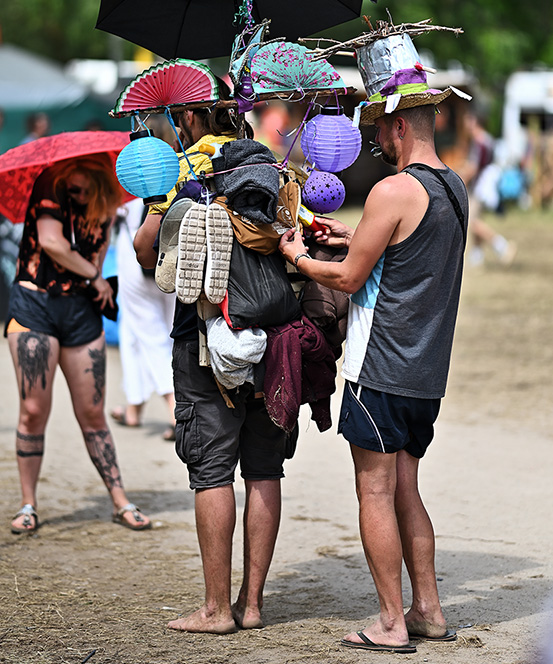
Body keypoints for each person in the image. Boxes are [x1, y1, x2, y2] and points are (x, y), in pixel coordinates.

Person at [279, 63, 467, 653]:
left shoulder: (392, 190)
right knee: (406, 488)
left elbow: (352, 277)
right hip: (425, 372)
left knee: (376, 494)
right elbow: (400, 252)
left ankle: (389, 621)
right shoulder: (453, 187)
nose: (375, 142)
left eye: (379, 130)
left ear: (396, 126)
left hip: (379, 366)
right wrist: (348, 236)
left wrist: (299, 256)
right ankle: (428, 611)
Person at [134, 76, 294, 633]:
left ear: (197, 118)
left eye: (182, 118)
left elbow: (145, 255)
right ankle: (252, 605)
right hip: (274, 338)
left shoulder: (182, 176)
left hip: (205, 345)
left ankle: (215, 610)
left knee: (212, 471)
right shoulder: (278, 173)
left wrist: (160, 200)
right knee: (264, 469)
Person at [6, 154, 151, 534]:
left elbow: (99, 253)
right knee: (33, 410)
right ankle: (28, 504)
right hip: (34, 303)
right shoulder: (49, 183)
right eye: (71, 180)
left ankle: (119, 499)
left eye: (82, 182)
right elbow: (52, 242)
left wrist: (96, 280)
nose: (75, 186)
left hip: (80, 310)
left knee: (93, 413)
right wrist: (96, 277)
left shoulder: (109, 196)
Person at [110, 197, 176, 438]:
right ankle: (133, 406)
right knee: (135, 331)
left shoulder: (129, 166)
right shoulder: (180, 161)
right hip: (174, 253)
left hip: (136, 253)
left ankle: (175, 412)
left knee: (151, 335)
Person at [459, 109, 516, 266]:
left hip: (480, 187)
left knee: (473, 222)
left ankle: (501, 246)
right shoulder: (488, 140)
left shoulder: (479, 142)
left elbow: (473, 167)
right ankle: (477, 255)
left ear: (474, 121)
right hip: (486, 186)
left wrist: (459, 178)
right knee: (476, 219)